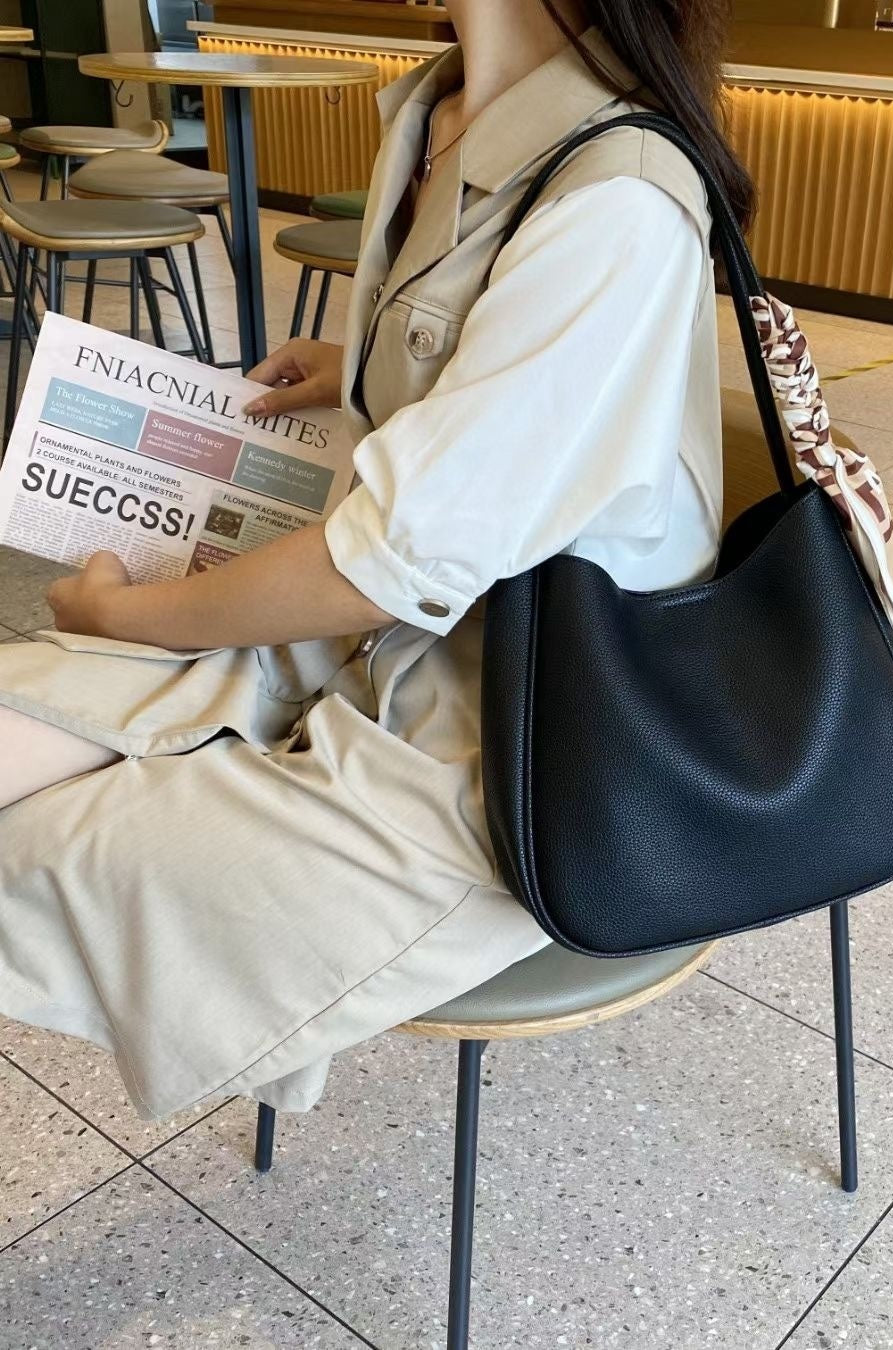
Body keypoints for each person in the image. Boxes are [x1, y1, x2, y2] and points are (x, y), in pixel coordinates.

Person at [0, 0, 753, 1119]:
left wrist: (126, 616)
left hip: (519, 736)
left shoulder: (621, 198)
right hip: (368, 639)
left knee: (48, 855)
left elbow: (381, 565)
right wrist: (363, 362)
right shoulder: (436, 110)